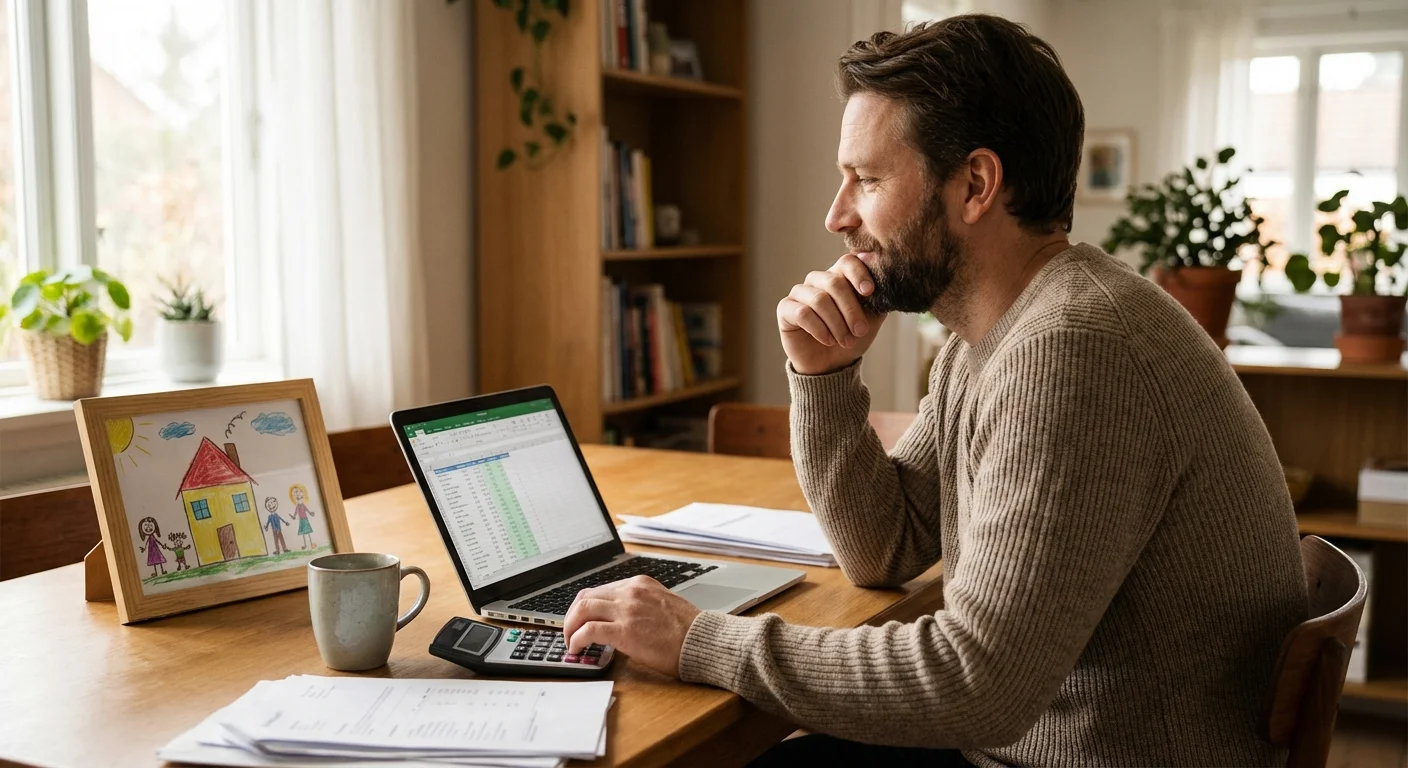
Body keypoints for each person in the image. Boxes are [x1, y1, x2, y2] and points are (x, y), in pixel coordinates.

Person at [563, 14, 1307, 767]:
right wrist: (823, 378)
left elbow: (979, 682)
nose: (837, 214)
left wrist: (699, 640)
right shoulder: (989, 337)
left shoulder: (1074, 349)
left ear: (976, 185)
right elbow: (883, 549)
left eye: (869, 178)